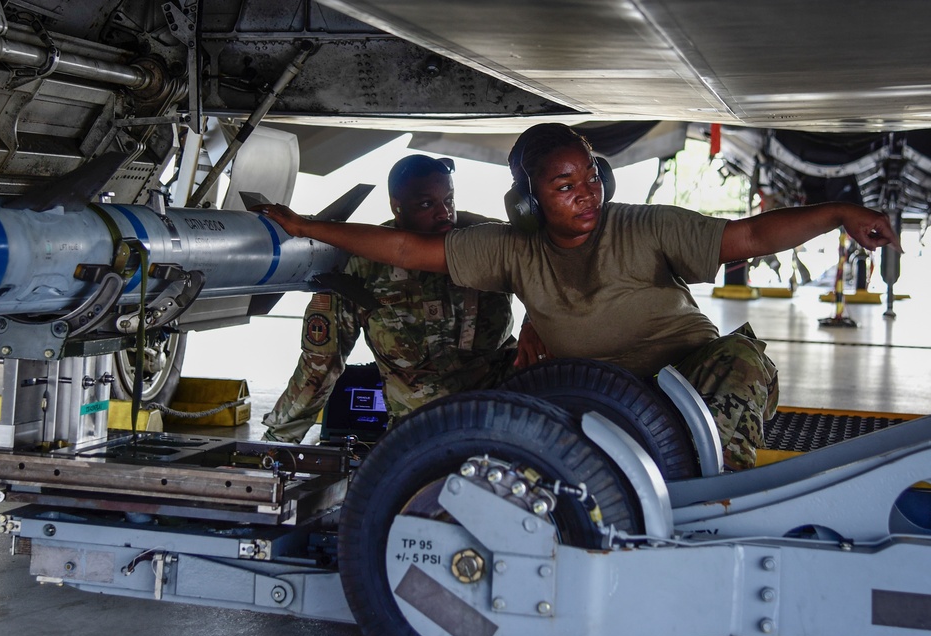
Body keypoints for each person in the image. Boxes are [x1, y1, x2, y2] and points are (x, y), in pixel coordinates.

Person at [256, 124, 901, 469]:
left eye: (590, 178)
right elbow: (402, 250)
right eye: (563, 186)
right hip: (594, 396)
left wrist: (838, 212)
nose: (585, 194)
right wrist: (306, 226)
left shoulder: (645, 228)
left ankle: (721, 507)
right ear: (529, 202)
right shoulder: (510, 249)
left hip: (688, 377)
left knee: (733, 376)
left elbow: (751, 234)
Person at [262, 154, 519, 443]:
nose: (444, 213)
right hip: (416, 439)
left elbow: (548, 294)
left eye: (449, 200)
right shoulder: (361, 267)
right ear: (397, 207)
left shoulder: (488, 246)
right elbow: (320, 365)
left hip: (503, 426)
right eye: (426, 204)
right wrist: (275, 443)